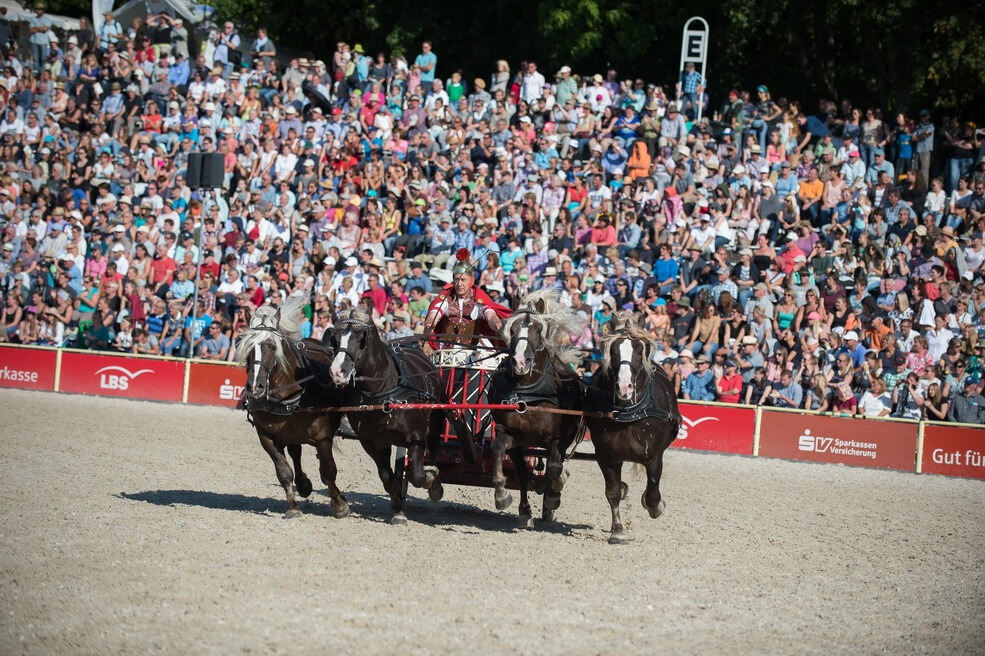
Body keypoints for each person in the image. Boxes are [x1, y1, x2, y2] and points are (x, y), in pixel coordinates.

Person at [422, 249, 511, 350]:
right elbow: (434, 313)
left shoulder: (478, 299)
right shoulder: (446, 298)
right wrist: (429, 324)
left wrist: (496, 324)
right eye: (456, 279)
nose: (459, 284)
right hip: (446, 348)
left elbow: (489, 314)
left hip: (473, 348)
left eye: (463, 280)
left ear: (471, 281)